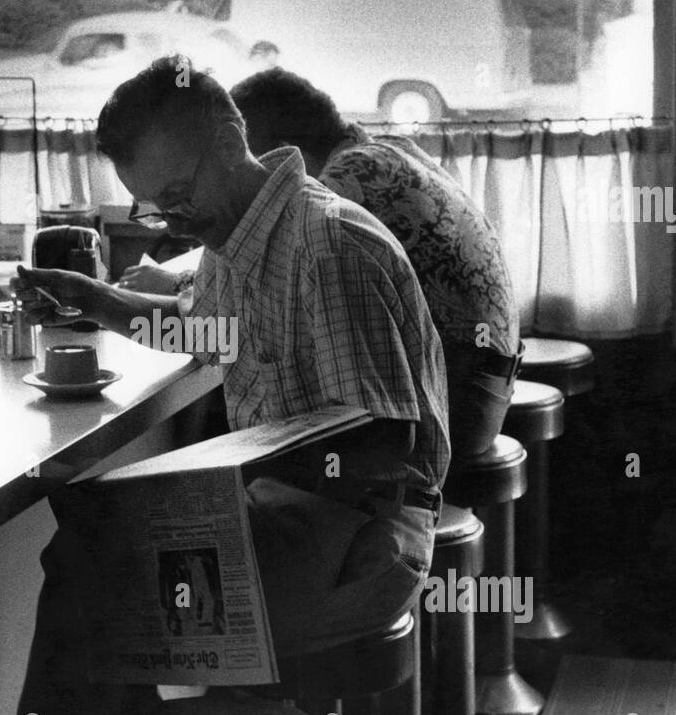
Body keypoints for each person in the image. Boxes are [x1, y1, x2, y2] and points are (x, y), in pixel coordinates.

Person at [9, 56, 449, 715]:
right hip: (294, 520)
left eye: (178, 197)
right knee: (89, 554)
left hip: (363, 540)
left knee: (89, 572)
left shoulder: (326, 245)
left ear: (228, 136)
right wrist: (100, 299)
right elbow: (200, 330)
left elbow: (386, 448)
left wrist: (230, 481)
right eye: (156, 211)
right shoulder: (231, 243)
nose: (174, 222)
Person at [124, 67, 520, 457]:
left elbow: (266, 269)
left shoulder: (341, 187)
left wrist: (174, 283)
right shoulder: (386, 149)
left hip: (460, 402)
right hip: (489, 378)